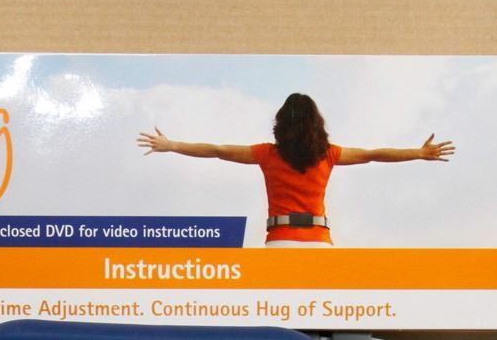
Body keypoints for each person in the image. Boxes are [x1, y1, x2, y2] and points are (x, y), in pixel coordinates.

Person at [137, 92, 455, 246]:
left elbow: (217, 151)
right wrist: (419, 153)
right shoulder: (328, 154)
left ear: (280, 123)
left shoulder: (266, 154)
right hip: (319, 242)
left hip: (280, 240)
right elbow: (374, 155)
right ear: (317, 124)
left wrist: (172, 145)